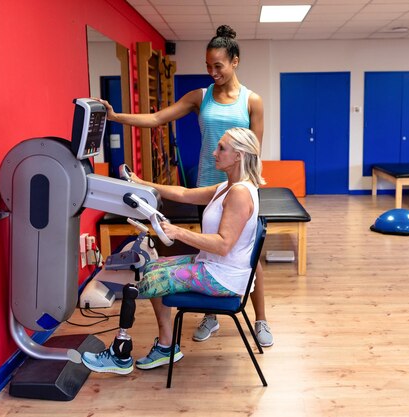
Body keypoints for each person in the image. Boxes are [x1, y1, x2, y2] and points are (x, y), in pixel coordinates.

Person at [93, 24, 273, 347]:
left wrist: (249, 188)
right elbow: (157, 119)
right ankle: (210, 315)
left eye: (218, 65)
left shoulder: (252, 101)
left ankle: (260, 319)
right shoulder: (199, 97)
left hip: (241, 187)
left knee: (244, 253)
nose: (212, 72)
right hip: (210, 183)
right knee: (208, 248)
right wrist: (116, 117)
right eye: (208, 66)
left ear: (235, 61)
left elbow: (254, 150)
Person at [82, 128, 264, 374]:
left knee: (148, 281)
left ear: (239, 156)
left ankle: (119, 356)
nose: (214, 153)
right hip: (214, 266)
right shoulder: (228, 187)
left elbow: (223, 244)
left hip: (224, 277)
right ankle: (166, 346)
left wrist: (178, 232)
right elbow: (185, 194)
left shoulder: (240, 193)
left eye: (222, 148)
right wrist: (141, 183)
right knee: (152, 267)